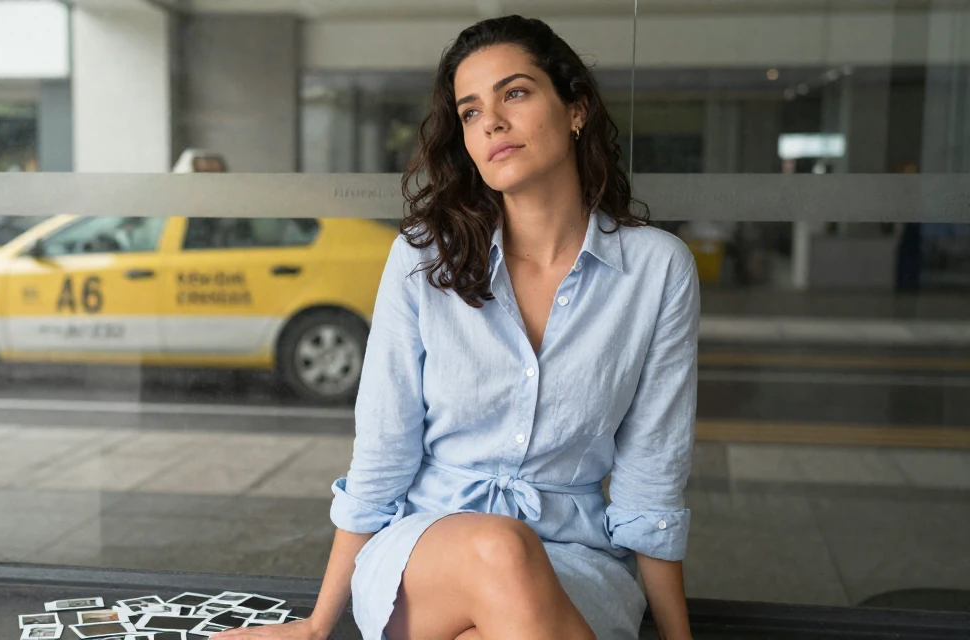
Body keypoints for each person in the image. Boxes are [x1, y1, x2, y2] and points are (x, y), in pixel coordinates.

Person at [215, 15, 698, 640]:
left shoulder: (657, 269)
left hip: (576, 563)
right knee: (499, 546)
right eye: (470, 112)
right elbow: (383, 452)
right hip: (424, 555)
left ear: (575, 109)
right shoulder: (424, 259)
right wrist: (317, 624)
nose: (491, 121)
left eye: (515, 93)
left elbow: (650, 480)